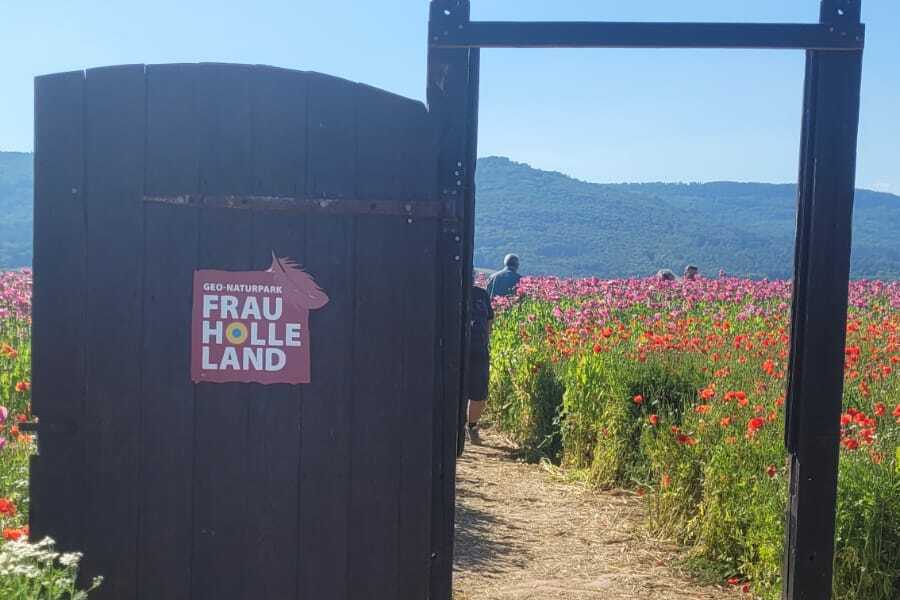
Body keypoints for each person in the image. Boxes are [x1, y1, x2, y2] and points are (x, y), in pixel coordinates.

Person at [465, 282, 494, 445]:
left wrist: (485, 340)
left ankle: (472, 426)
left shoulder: (482, 294)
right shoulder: (450, 291)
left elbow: (489, 320)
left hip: (478, 349)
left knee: (479, 391)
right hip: (457, 350)